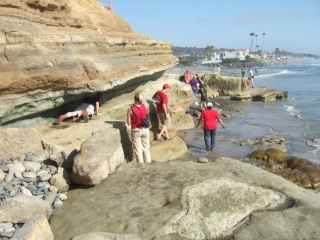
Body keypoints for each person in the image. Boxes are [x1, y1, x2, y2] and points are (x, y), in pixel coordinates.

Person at [126, 93, 151, 163]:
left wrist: (131, 107)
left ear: (134, 99)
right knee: (146, 149)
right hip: (145, 129)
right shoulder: (145, 106)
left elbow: (128, 123)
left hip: (136, 130)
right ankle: (149, 165)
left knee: (138, 151)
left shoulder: (130, 109)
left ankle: (141, 168)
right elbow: (145, 115)